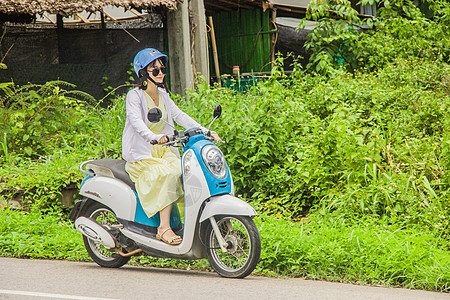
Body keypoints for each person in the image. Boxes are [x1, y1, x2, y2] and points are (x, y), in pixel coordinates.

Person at [122, 48, 220, 246]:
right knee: (167, 174)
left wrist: (205, 131)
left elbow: (180, 116)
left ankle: (189, 224)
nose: (160, 73)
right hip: (143, 154)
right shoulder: (135, 96)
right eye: (155, 70)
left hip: (164, 151)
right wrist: (154, 137)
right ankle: (163, 228)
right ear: (142, 73)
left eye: (162, 69)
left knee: (187, 172)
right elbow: (136, 122)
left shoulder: (163, 94)